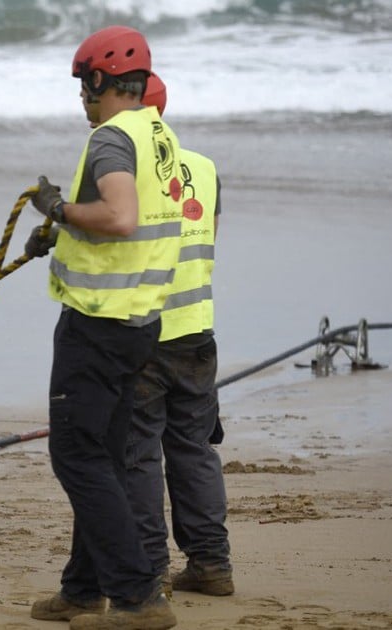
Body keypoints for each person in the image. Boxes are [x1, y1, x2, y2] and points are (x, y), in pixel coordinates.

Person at [26, 26, 183, 630]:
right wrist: (64, 228)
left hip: (100, 324)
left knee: (77, 456)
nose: (81, 99)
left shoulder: (112, 139)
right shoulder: (157, 133)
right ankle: (83, 589)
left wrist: (60, 209)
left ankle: (138, 598)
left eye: (82, 86)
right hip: (140, 321)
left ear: (98, 80)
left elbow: (120, 215)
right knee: (106, 456)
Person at [125, 73, 234, 597]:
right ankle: (212, 565)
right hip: (196, 331)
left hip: (143, 334)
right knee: (193, 451)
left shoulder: (123, 173)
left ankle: (148, 574)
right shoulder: (207, 168)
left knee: (139, 454)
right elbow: (210, 236)